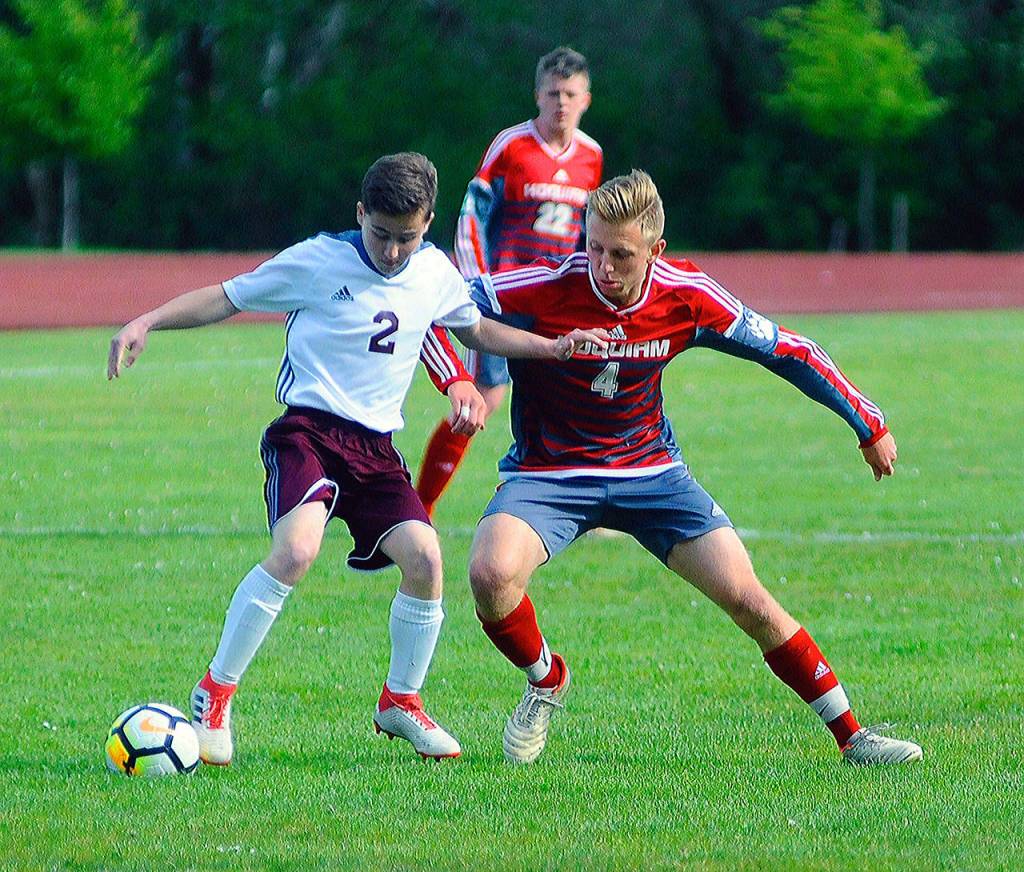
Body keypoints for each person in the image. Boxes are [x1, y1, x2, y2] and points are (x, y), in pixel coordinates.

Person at [106, 152, 607, 764]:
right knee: (296, 551)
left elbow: (476, 329)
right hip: (308, 434)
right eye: (381, 234)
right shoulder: (319, 260)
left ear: (427, 225)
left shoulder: (433, 271)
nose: (393, 252)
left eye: (408, 238)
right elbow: (227, 297)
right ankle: (214, 694)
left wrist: (552, 350)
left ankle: (401, 701)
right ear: (360, 212)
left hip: (375, 450)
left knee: (426, 559)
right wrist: (147, 322)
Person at [465, 169, 924, 766]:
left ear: (655, 252)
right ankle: (546, 679)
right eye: (594, 247)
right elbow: (444, 307)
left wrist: (868, 422)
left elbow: (789, 349)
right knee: (490, 575)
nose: (602, 266)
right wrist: (458, 381)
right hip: (550, 476)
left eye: (621, 255)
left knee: (750, 600)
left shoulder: (687, 293)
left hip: (652, 473)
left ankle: (854, 738)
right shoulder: (541, 286)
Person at [415, 46, 603, 517]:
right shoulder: (512, 146)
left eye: (571, 94)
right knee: (485, 398)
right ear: (537, 95)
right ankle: (421, 504)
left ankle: (593, 503)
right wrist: (476, 283)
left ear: (586, 100)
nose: (561, 102)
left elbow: (590, 233)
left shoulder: (592, 157)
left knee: (580, 395)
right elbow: (474, 214)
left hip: (557, 301)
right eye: (553, 93)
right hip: (505, 295)